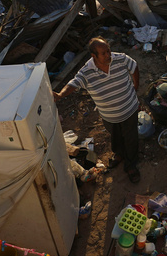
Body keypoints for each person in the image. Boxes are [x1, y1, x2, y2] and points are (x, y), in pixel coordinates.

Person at [55, 37, 141, 183]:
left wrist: (135, 86)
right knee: (115, 137)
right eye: (103, 53)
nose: (108, 55)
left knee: (131, 137)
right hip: (109, 116)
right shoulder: (87, 71)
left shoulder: (121, 59)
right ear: (93, 56)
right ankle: (119, 155)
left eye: (108, 50)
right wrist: (61, 94)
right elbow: (74, 83)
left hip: (129, 109)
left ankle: (131, 164)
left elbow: (134, 67)